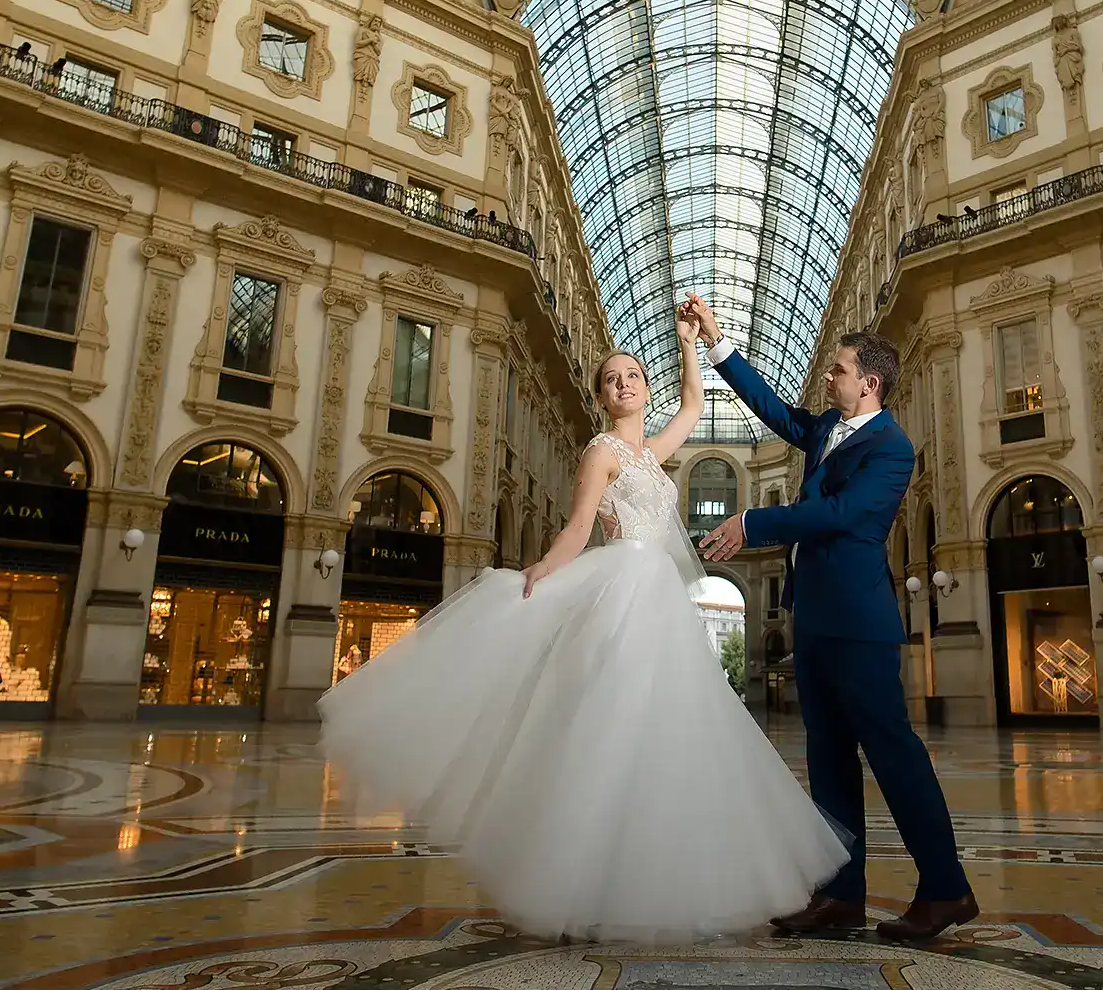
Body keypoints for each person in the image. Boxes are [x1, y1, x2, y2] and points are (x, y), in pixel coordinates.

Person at [319, 306, 846, 942]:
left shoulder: (651, 453)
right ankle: (589, 880)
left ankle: (655, 873)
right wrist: (541, 569)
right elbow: (577, 527)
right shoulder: (600, 452)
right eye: (610, 379)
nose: (623, 383)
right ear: (599, 397)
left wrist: (688, 343)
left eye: (632, 375)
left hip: (658, 601)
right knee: (612, 727)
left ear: (644, 388)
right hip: (623, 590)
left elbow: (692, 403)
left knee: (667, 731)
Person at [685, 292, 977, 942]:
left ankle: (946, 888)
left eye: (838, 370)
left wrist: (754, 521)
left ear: (869, 383)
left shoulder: (892, 450)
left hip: (860, 624)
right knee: (829, 764)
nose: (827, 376)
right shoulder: (823, 431)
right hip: (814, 619)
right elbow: (772, 409)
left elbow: (844, 517)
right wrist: (715, 341)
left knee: (894, 755)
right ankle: (840, 894)